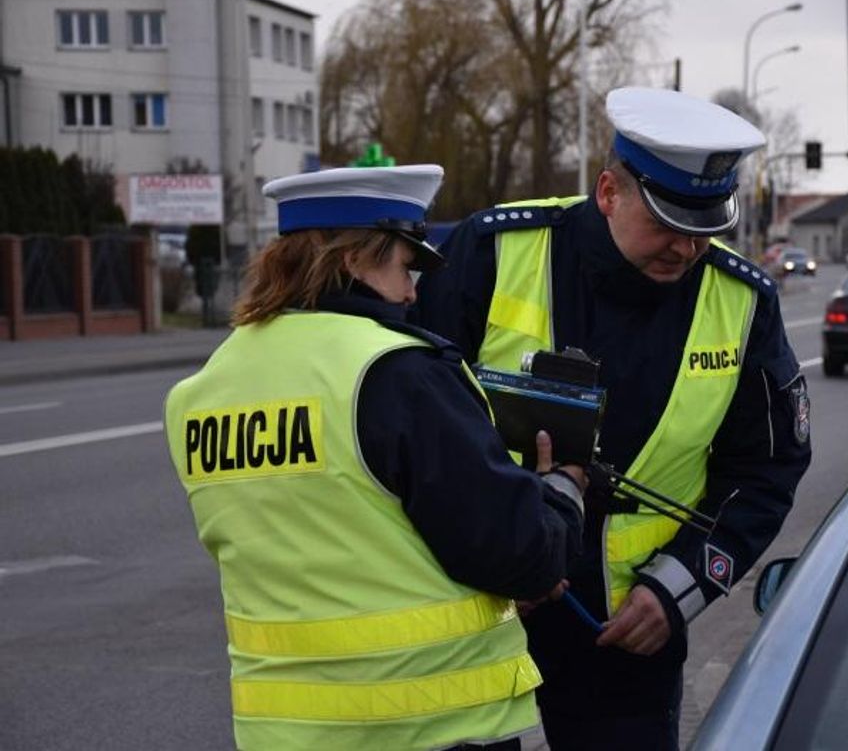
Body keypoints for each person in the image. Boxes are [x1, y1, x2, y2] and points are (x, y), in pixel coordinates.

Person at [413, 87, 813, 749]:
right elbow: (416, 433)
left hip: (630, 624)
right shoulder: (493, 253)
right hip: (479, 608)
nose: (686, 250)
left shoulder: (743, 303)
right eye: (665, 224)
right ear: (607, 192)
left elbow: (766, 470)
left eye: (703, 230)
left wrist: (680, 590)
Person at [163, 165, 586, 751]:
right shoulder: (397, 371)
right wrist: (561, 490)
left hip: (283, 734)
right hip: (428, 724)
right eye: (403, 266)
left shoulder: (200, 392)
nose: (414, 292)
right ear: (354, 259)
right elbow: (518, 556)